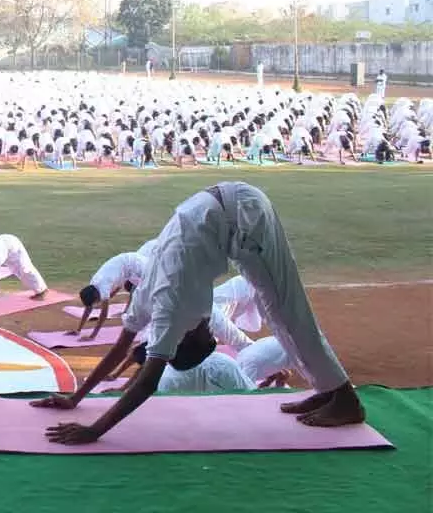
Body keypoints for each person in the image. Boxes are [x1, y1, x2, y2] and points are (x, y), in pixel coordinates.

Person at [33, 182, 365, 446]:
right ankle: (327, 390)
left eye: (207, 334)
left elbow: (143, 374)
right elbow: (128, 356)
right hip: (226, 213)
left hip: (242, 214)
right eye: (210, 333)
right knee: (277, 310)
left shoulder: (171, 308)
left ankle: (344, 399)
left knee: (286, 309)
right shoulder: (165, 306)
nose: (211, 327)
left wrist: (92, 426)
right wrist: (75, 399)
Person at [71, 252, 146, 340]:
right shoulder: (93, 285)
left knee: (146, 292)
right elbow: (88, 307)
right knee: (139, 290)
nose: (96, 304)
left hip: (136, 264)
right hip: (128, 268)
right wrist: (78, 330)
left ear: (96, 297)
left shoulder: (103, 287)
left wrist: (92, 336)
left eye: (94, 303)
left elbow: (104, 315)